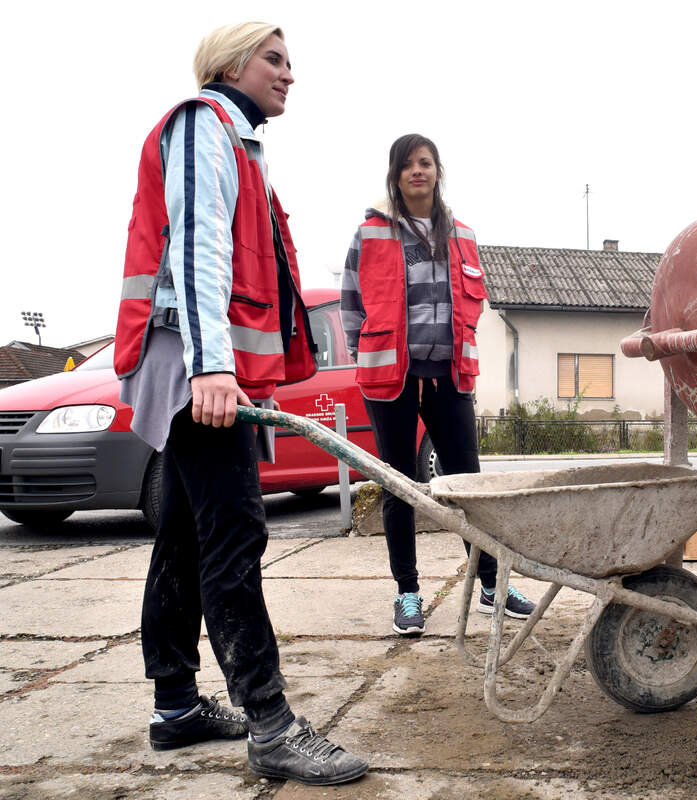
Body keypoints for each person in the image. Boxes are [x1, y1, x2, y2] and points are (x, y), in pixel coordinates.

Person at [115, 22, 368, 784]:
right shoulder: (206, 125)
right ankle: (270, 722)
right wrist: (211, 367)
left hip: (190, 365)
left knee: (189, 537)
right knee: (234, 535)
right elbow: (198, 248)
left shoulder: (237, 142)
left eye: (291, 62)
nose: (289, 74)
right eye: (274, 59)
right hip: (193, 367)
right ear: (231, 64)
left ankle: (176, 705)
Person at [340, 134, 536, 636]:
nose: (417, 172)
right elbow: (351, 303)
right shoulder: (371, 233)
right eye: (407, 166)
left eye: (425, 163)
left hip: (449, 378)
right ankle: (407, 592)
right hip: (392, 379)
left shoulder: (463, 235)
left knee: (468, 483)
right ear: (395, 175)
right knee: (399, 485)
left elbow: (474, 304)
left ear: (437, 170)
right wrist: (364, 355)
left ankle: (491, 583)